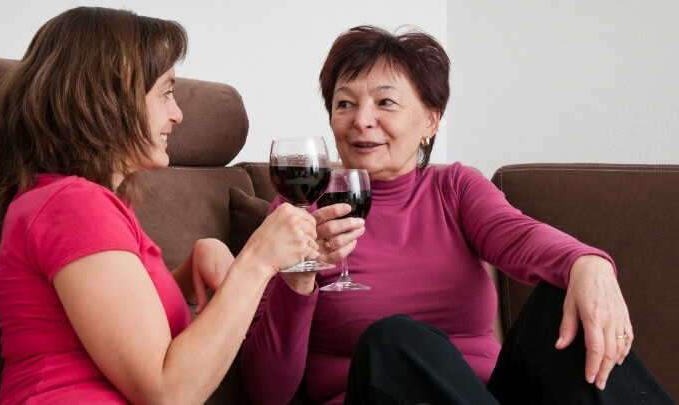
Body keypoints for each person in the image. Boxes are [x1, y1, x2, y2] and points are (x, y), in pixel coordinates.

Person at [239, 25, 673, 404]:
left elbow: (518, 235)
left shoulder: (455, 188)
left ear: (431, 120)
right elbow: (267, 392)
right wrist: (299, 276)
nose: (361, 120)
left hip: (490, 394)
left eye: (385, 102)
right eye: (345, 103)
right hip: (378, 395)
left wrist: (588, 264)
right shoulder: (298, 210)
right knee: (394, 341)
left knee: (560, 296)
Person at [0, 7, 339, 404]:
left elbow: (113, 329)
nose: (178, 114)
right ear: (108, 96)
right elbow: (168, 392)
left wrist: (184, 277)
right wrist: (257, 260)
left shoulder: (72, 202)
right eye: (166, 92)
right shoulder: (74, 205)